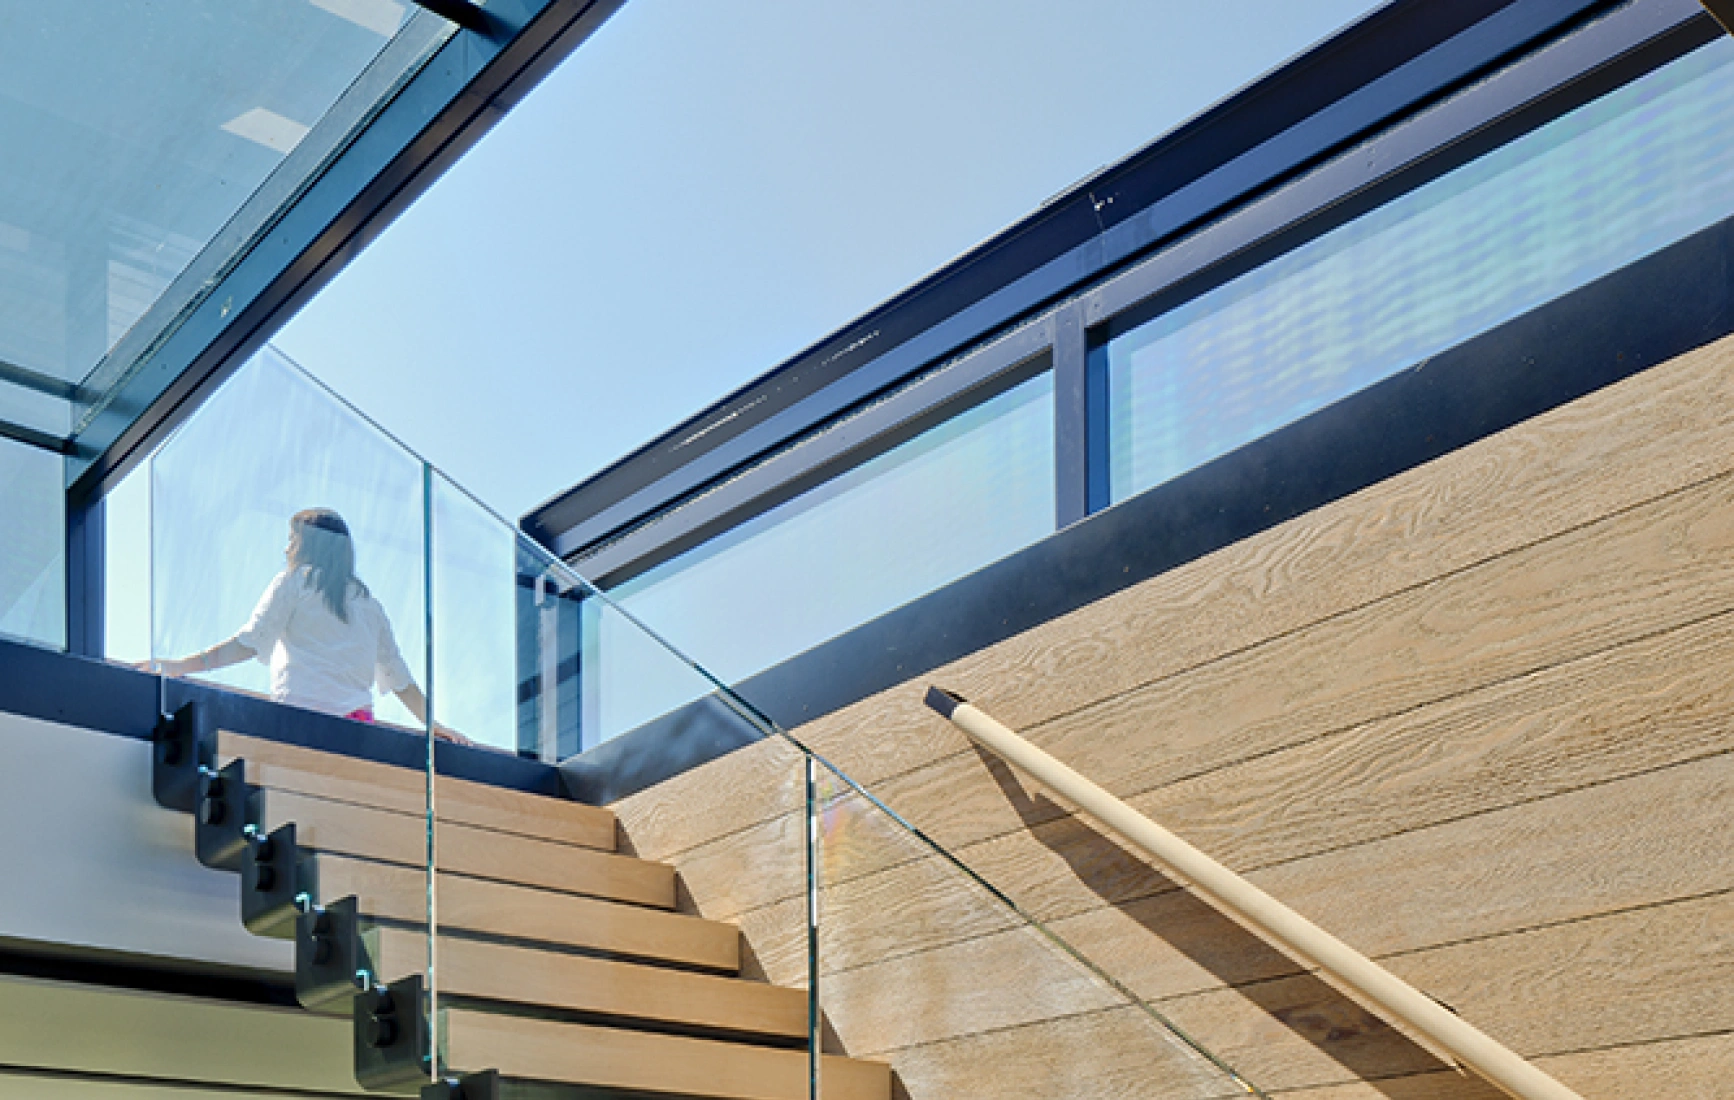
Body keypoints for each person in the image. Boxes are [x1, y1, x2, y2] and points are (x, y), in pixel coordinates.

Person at [152, 508, 470, 745]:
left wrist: (180, 666)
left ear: (308, 546)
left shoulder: (295, 583)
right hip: (356, 728)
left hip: (300, 722)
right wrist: (432, 724)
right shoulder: (370, 607)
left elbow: (249, 643)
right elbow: (398, 677)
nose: (285, 549)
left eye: (292, 539)